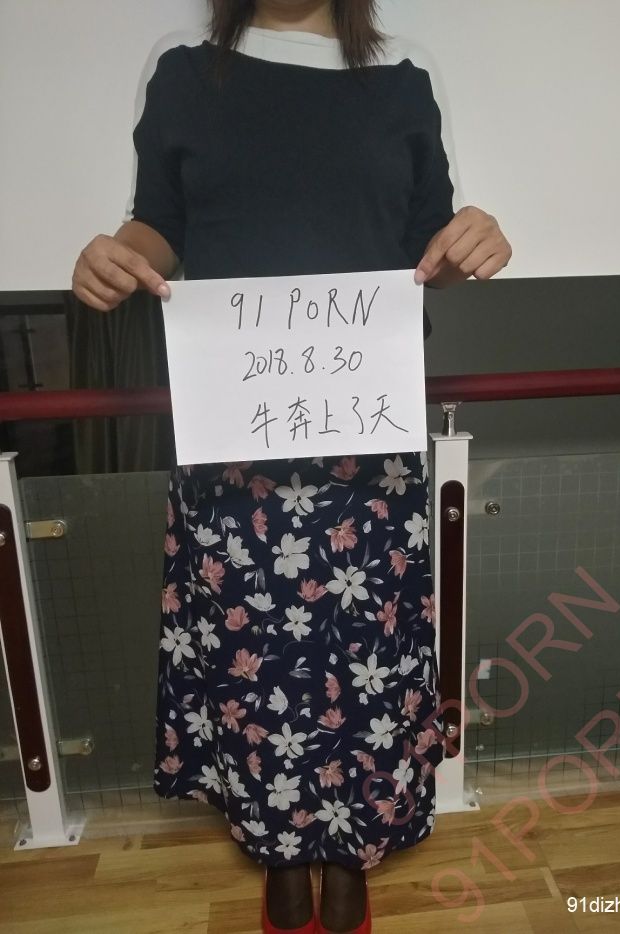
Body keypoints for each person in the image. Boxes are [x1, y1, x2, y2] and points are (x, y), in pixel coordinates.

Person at [72, 2, 511, 931]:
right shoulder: (186, 65)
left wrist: (471, 237)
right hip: (236, 447)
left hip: (368, 448)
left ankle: (350, 852)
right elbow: (158, 224)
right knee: (253, 662)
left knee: (369, 659)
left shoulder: (403, 70)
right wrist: (118, 256)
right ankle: (278, 846)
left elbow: (431, 238)